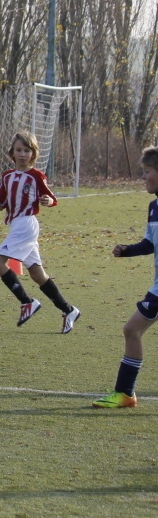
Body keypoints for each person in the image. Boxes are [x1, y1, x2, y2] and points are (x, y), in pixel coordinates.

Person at [0, 130, 80, 332]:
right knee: (37, 274)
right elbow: (0, 204)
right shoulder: (7, 176)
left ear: (33, 154)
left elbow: (52, 198)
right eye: (18, 150)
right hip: (17, 225)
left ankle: (27, 302)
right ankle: (69, 309)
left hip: (26, 224)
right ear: (12, 152)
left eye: (26, 150)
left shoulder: (36, 176)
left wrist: (49, 201)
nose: (22, 154)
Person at [93, 146, 158, 408]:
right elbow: (150, 244)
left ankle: (125, 393)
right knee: (132, 330)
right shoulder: (154, 208)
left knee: (132, 329)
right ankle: (125, 394)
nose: (143, 177)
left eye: (148, 171)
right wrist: (127, 250)